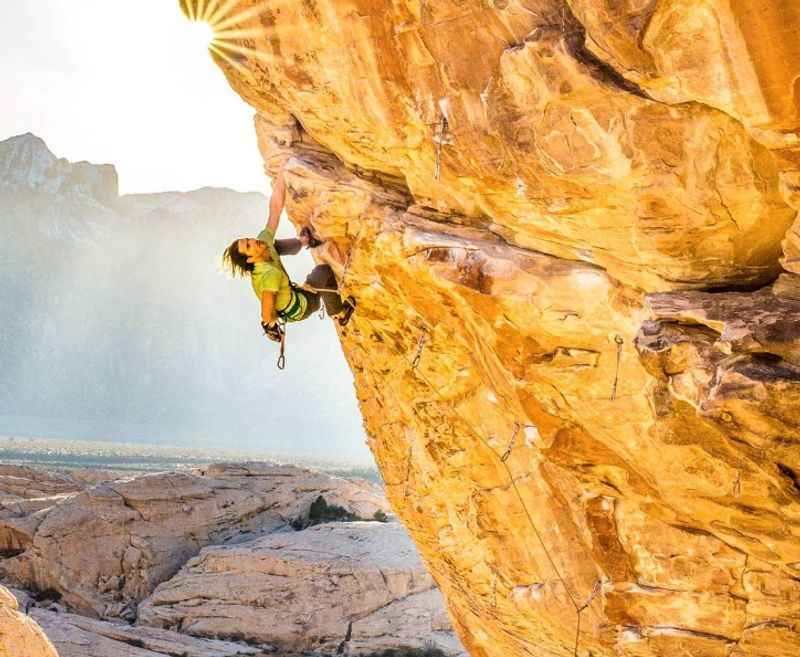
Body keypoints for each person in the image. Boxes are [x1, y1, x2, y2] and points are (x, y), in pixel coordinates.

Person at [222, 171, 355, 343]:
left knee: (273, 246)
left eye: (248, 240)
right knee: (324, 271)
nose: (253, 241)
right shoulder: (268, 276)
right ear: (250, 259)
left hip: (289, 293)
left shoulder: (262, 244)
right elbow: (266, 310)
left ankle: (305, 240)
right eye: (248, 246)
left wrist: (281, 177)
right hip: (303, 306)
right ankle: (339, 314)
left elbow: (274, 212)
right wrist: (270, 325)